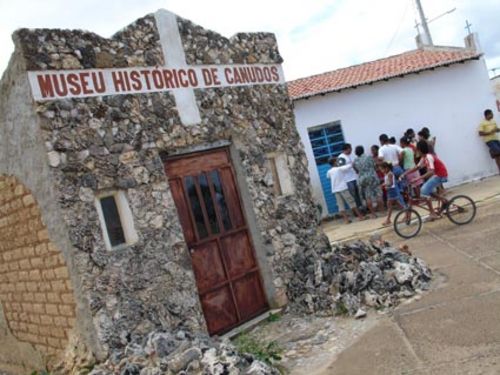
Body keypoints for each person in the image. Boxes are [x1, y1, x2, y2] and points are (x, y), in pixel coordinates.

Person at [401, 140, 449, 221]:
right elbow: (417, 167)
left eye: (416, 149)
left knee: (423, 191)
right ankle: (443, 200)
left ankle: (433, 213)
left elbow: (431, 171)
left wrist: (418, 178)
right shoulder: (424, 157)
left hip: (441, 175)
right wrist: (405, 174)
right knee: (427, 191)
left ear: (420, 149)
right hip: (438, 175)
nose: (416, 151)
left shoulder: (428, 157)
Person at [326, 157, 365, 223]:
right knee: (351, 202)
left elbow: (328, 177)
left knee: (340, 205)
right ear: (335, 162)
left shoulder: (329, 171)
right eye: (336, 161)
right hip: (343, 188)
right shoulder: (339, 169)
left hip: (335, 190)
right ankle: (360, 217)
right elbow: (349, 166)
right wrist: (353, 162)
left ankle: (346, 220)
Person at [353, 146, 384, 218]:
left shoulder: (355, 161)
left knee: (368, 196)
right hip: (373, 177)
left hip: (363, 179)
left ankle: (373, 214)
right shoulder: (369, 157)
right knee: (378, 194)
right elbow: (374, 166)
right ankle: (382, 212)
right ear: (363, 151)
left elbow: (356, 171)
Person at [380, 162, 406, 226]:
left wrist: (385, 185)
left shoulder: (390, 174)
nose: (381, 171)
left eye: (382, 169)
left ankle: (388, 219)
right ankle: (406, 212)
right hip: (390, 191)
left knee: (390, 204)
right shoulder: (387, 174)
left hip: (392, 190)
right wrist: (384, 184)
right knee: (394, 204)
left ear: (386, 168)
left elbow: (391, 183)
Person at [338, 143, 363, 209]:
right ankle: (357, 211)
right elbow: (341, 168)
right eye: (350, 148)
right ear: (347, 149)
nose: (351, 150)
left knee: (358, 195)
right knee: (353, 196)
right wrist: (351, 165)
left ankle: (361, 208)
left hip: (354, 178)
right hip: (348, 180)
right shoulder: (341, 157)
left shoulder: (350, 156)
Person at [478, 109, 500, 173]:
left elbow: (497, 129)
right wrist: (490, 132)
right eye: (491, 114)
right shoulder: (482, 123)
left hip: (496, 139)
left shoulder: (493, 121)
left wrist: (497, 130)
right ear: (487, 115)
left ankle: (492, 152)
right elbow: (480, 133)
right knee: (498, 154)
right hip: (489, 140)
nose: (492, 115)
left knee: (497, 155)